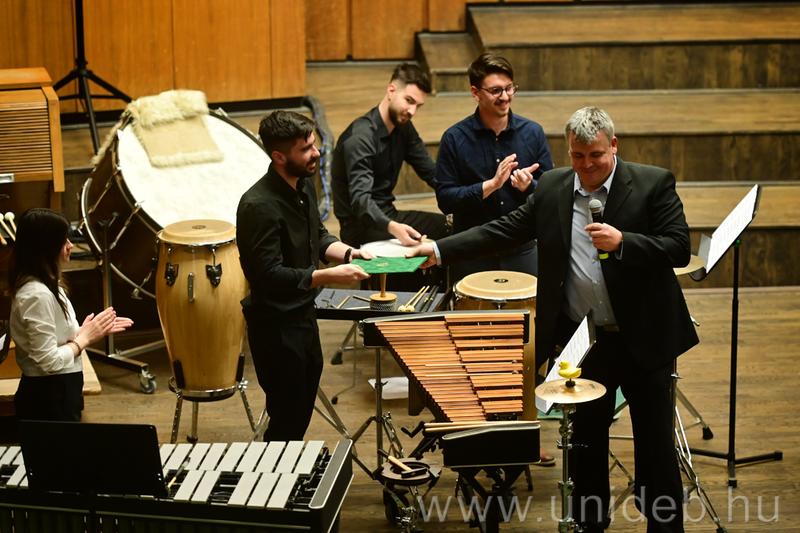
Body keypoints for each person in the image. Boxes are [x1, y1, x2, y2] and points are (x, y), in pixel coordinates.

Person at [409, 107, 698, 533]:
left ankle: (665, 527)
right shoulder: (553, 188)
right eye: (578, 156)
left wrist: (623, 242)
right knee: (584, 445)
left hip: (644, 339)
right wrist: (439, 250)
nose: (586, 166)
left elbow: (678, 247)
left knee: (655, 446)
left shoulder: (653, 183)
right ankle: (588, 526)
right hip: (586, 341)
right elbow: (503, 230)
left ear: (614, 146)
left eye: (596, 155)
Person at [237, 110, 372, 442]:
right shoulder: (258, 206)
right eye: (306, 149)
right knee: (287, 421)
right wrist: (329, 276)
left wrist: (349, 253)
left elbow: (318, 235)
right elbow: (269, 276)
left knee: (299, 412)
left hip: (303, 316)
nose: (317, 152)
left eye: (314, 143)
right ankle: (274, 472)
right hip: (276, 327)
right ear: (279, 157)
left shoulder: (304, 185)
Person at [434, 53, 553, 281]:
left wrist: (529, 187)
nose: (505, 97)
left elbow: (551, 196)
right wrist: (489, 186)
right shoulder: (454, 138)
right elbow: (445, 200)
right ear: (475, 93)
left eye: (509, 88)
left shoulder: (533, 133)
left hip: (523, 252)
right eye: (496, 91)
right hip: (471, 255)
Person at [10, 208, 133, 422]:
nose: (71, 245)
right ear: (46, 247)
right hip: (49, 396)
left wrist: (89, 330)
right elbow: (48, 362)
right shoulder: (37, 295)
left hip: (57, 391)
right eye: (63, 240)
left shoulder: (45, 283)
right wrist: (84, 339)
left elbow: (55, 335)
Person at [331, 63, 448, 249]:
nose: (412, 111)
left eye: (418, 106)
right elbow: (361, 200)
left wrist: (467, 195)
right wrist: (393, 228)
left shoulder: (403, 127)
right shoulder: (360, 138)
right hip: (359, 228)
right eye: (409, 101)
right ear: (391, 91)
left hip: (389, 217)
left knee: (452, 227)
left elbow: (431, 172)